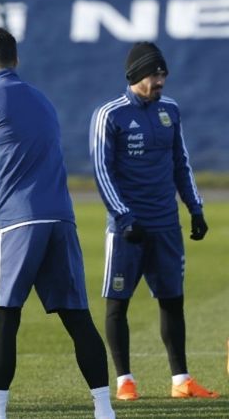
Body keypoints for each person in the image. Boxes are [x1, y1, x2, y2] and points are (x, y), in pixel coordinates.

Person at [0, 28, 115, 419]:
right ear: (16, 59)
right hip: (61, 218)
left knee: (4, 320)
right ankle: (103, 408)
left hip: (15, 221)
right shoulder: (43, 99)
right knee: (78, 319)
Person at [89, 41, 217, 401]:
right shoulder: (109, 115)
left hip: (165, 225)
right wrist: (124, 216)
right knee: (118, 303)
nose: (160, 80)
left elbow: (181, 163)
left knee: (172, 301)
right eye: (153, 74)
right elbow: (102, 172)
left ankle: (182, 380)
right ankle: (125, 381)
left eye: (162, 73)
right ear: (135, 76)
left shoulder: (170, 111)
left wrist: (195, 208)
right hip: (127, 229)